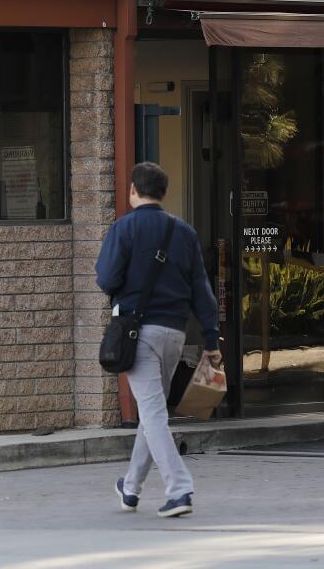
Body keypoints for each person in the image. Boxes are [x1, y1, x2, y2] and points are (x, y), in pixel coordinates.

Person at [95, 162, 220, 518]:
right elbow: (202, 290)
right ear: (163, 193)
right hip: (175, 334)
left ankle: (179, 490)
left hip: (139, 333)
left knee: (152, 414)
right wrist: (211, 339)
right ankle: (130, 488)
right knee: (154, 412)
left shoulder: (124, 228)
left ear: (133, 190)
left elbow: (105, 278)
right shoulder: (183, 232)